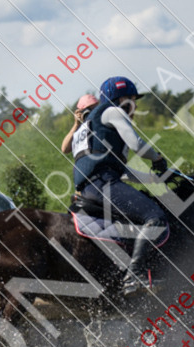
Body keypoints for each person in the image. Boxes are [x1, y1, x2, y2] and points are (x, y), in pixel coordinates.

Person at [73, 76, 172, 297]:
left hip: (91, 186)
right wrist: (157, 159)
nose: (135, 105)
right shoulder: (113, 111)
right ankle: (133, 277)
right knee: (155, 217)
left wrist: (153, 179)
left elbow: (120, 170)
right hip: (103, 184)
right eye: (133, 99)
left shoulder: (91, 126)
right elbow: (136, 144)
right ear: (121, 99)